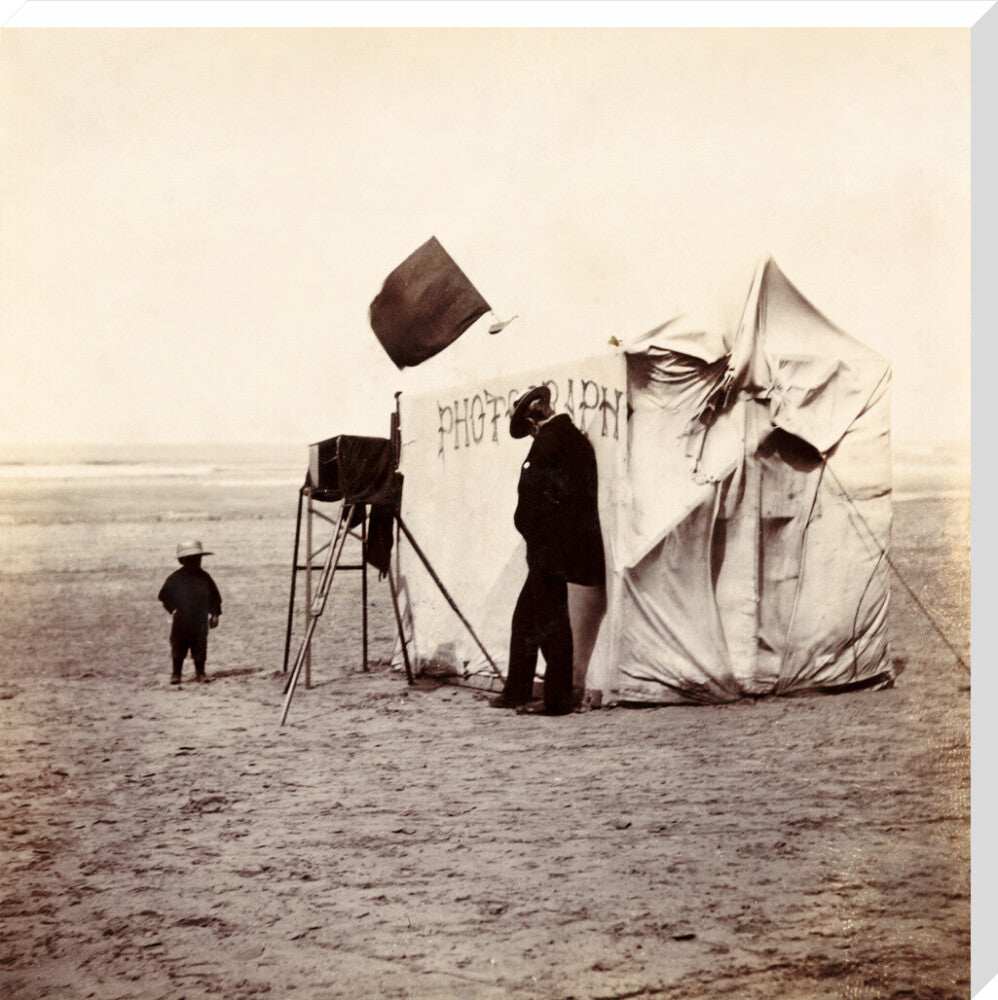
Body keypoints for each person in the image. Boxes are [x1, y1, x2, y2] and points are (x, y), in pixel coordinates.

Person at [490, 385, 605, 715]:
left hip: (549, 548)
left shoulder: (550, 443)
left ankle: (556, 699)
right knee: (525, 619)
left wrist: (531, 529)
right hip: (556, 545)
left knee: (552, 622)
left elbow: (537, 495)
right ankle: (517, 690)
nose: (530, 433)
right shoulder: (574, 439)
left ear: (536, 415)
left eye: (529, 426)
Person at [158, 540, 222, 685]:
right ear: (183, 560)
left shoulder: (205, 577)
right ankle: (176, 674)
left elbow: (215, 597)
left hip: (200, 620)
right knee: (178, 647)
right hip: (181, 620)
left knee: (200, 647)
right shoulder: (175, 578)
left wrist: (215, 614)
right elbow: (163, 595)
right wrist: (172, 610)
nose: (195, 562)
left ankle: (200, 673)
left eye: (197, 559)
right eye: (191, 559)